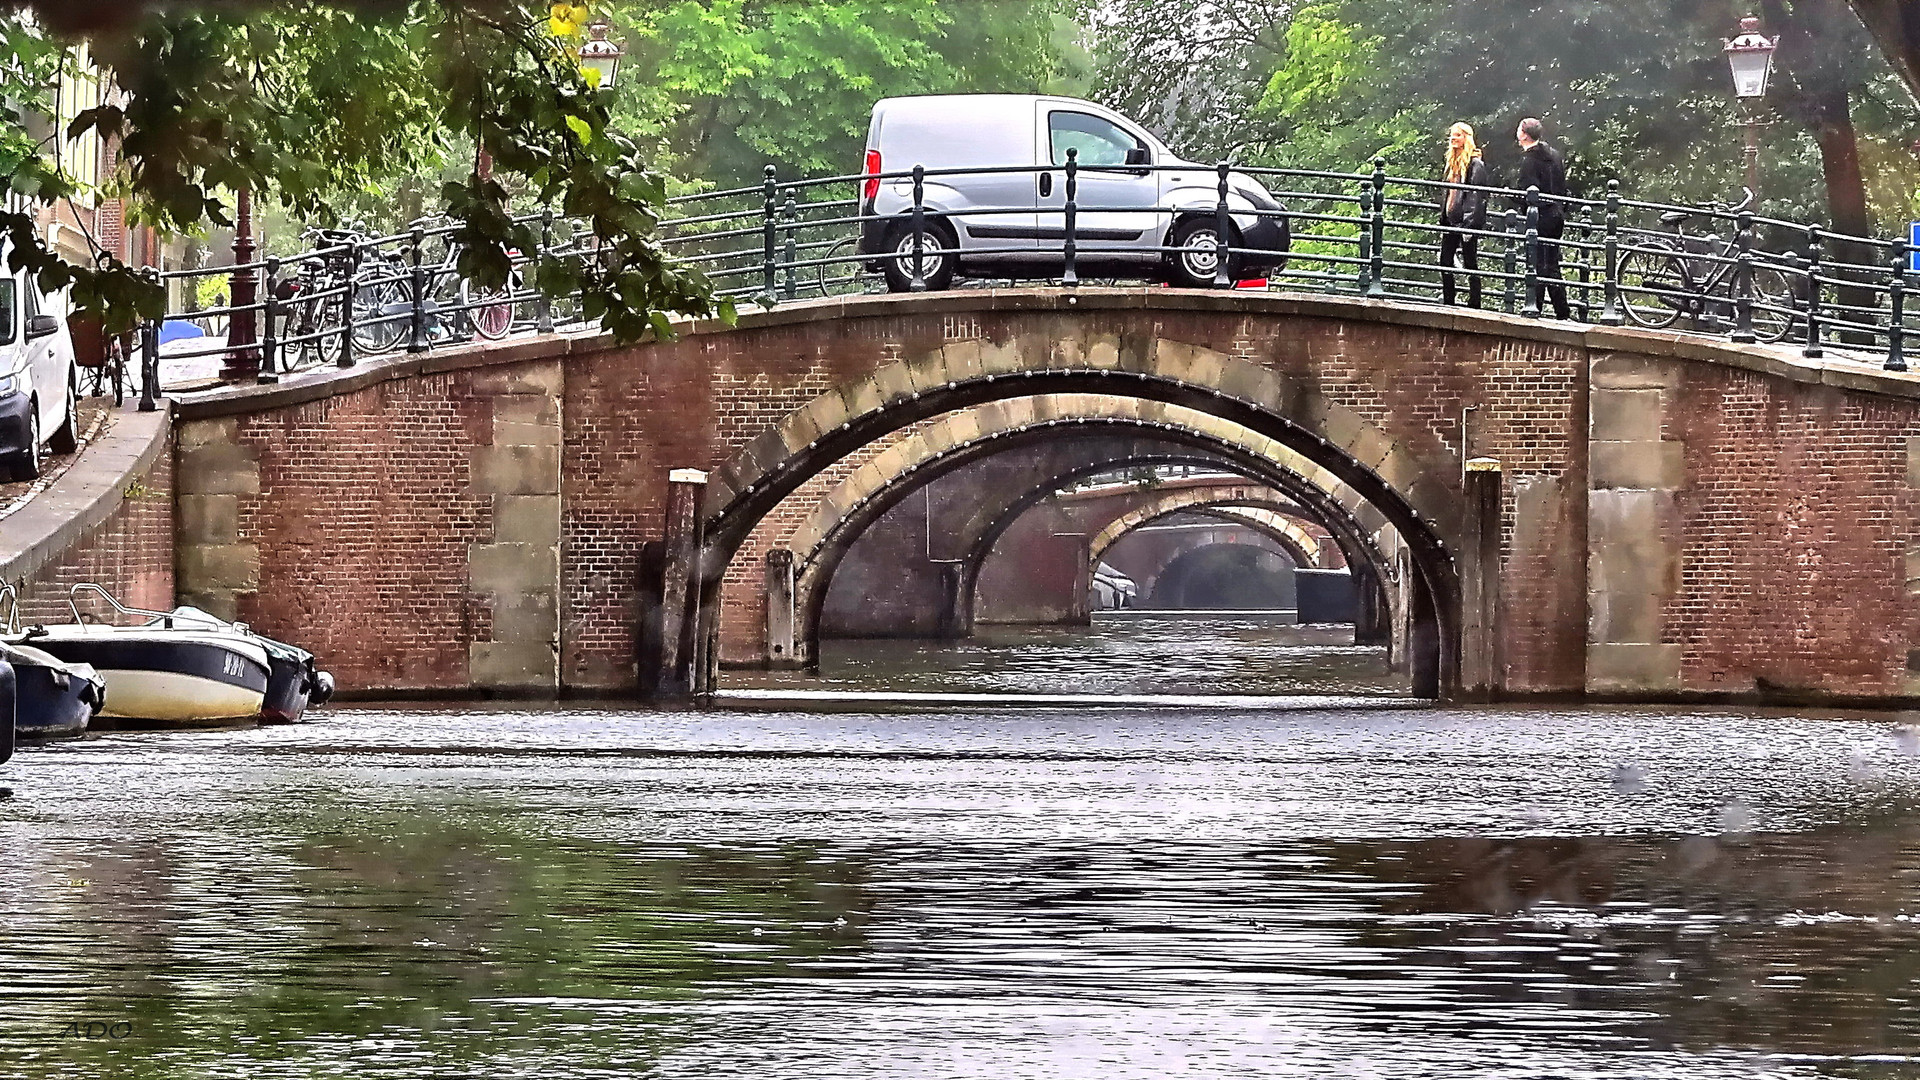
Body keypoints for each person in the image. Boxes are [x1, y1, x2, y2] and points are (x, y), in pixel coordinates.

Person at [1515, 116, 1571, 319]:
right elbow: (1561, 185)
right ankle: (1561, 310)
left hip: (1540, 216)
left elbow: (1527, 192)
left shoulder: (1530, 160)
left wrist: (1513, 198)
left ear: (1524, 135)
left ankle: (1534, 306)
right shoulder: (1554, 155)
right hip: (1557, 214)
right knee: (1551, 263)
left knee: (1537, 263)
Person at [1437, 122, 1491, 308]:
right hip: (1451, 220)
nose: (1453, 138)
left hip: (1465, 221)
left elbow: (1476, 197)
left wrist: (1469, 225)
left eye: (1458, 135)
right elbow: (1449, 192)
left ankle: (1474, 303)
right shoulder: (1452, 162)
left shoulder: (1475, 164)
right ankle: (1449, 300)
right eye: (1452, 134)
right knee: (1445, 260)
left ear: (1466, 138)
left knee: (1470, 262)